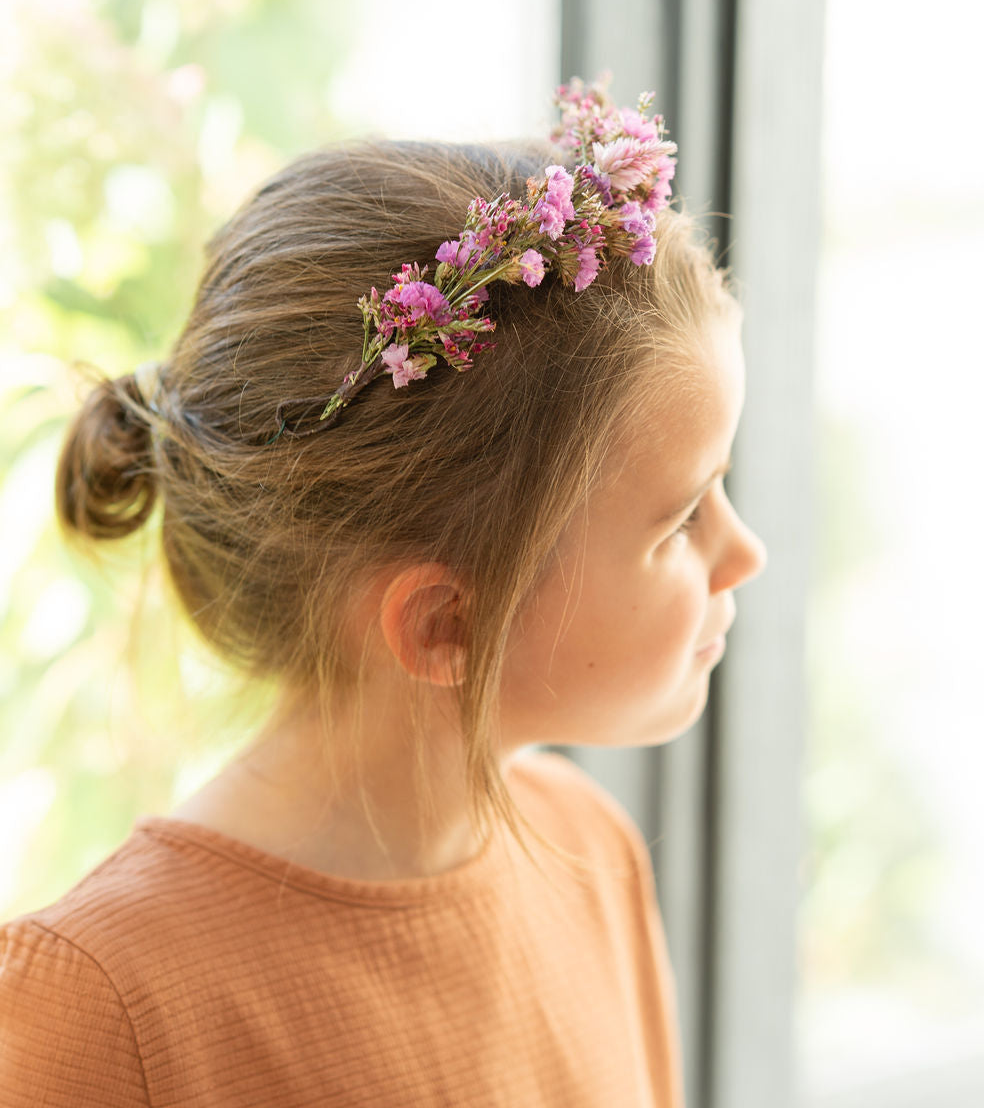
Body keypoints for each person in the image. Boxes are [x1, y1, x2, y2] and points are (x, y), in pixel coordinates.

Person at [0, 78, 765, 1106]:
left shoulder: (590, 850)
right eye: (680, 519)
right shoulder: (103, 1013)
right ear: (448, 621)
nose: (743, 551)